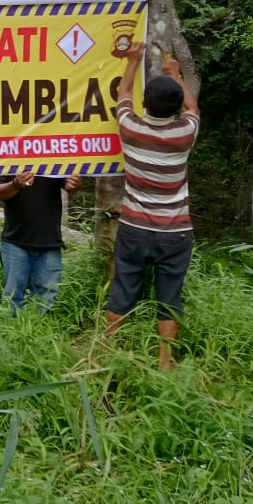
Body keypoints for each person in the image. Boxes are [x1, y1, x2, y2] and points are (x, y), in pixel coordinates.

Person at [105, 41, 200, 371]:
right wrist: (175, 74)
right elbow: (193, 109)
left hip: (133, 228)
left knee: (123, 289)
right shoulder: (185, 133)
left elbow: (123, 93)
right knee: (169, 296)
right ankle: (164, 362)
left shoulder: (131, 128)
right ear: (175, 108)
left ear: (146, 103)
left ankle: (109, 350)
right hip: (176, 232)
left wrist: (132, 60)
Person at [0, 170, 82, 313]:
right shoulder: (6, 155)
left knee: (46, 300)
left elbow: (68, 185)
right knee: (13, 298)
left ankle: (40, 331)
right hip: (15, 241)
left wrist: (74, 184)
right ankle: (13, 333)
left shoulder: (54, 153)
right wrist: (16, 184)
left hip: (50, 242)